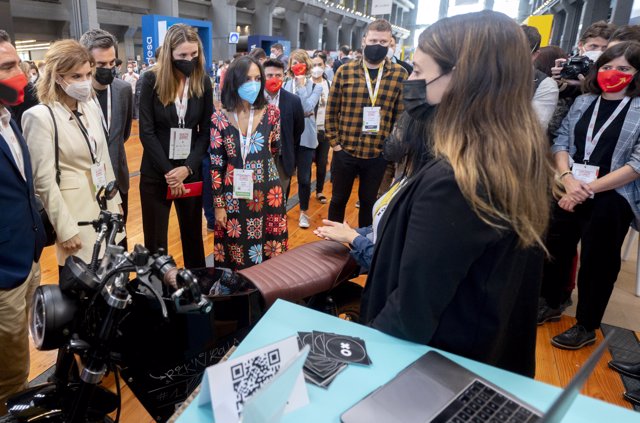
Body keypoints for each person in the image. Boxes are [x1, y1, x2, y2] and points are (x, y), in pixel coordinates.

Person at [360, 11, 554, 377]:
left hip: (431, 369)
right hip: (480, 356)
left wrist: (361, 368)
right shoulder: (510, 157)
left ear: (462, 78)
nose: (411, 81)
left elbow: (412, 311)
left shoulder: (457, 180)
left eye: (419, 71)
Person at [538, 41, 640, 350]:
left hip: (612, 194)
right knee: (555, 245)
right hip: (570, 184)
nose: (613, 73)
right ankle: (552, 302)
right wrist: (567, 179)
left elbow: (637, 162)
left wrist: (586, 189)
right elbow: (560, 141)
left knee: (599, 260)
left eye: (623, 68)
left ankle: (586, 324)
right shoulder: (584, 102)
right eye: (607, 67)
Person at [22, 39, 122, 269]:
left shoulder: (88, 105)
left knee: (110, 278)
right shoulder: (39, 116)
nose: (85, 82)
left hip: (104, 208)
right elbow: (43, 181)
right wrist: (65, 228)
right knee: (81, 285)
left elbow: (103, 157)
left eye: (88, 74)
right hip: (74, 214)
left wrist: (115, 202)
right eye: (76, 77)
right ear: (57, 76)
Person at [138, 23, 212, 268]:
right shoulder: (151, 80)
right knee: (155, 243)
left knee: (193, 238)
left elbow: (205, 133)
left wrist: (187, 169)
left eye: (194, 54)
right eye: (182, 55)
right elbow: (146, 132)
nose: (189, 60)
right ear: (169, 54)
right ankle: (156, 297)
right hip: (157, 173)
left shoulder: (203, 82)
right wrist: (170, 172)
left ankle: (197, 291)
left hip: (189, 172)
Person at [0, 29, 45, 415]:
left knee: (19, 354)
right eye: (8, 67)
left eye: (19, 63)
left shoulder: (9, 118)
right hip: (4, 270)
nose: (21, 74)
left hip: (28, 256)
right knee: (9, 373)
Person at [326, 19, 406, 227]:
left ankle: (362, 248)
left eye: (383, 41)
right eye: (373, 40)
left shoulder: (399, 75)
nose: (377, 45)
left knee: (370, 203)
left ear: (390, 44)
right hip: (346, 151)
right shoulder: (345, 71)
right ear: (364, 41)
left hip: (377, 154)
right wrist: (336, 145)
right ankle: (331, 245)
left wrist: (387, 151)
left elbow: (400, 118)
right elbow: (331, 111)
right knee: (338, 200)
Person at [210, 56, 288, 269]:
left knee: (268, 250)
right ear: (234, 81)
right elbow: (216, 164)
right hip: (233, 195)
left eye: (257, 78)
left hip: (268, 193)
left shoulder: (272, 113)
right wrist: (219, 205)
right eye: (247, 79)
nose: (253, 84)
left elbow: (274, 150)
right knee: (236, 249)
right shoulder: (219, 117)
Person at [80, 29, 133, 249]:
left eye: (112, 63)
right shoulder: (76, 94)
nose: (108, 69)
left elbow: (125, 133)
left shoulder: (123, 90)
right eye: (101, 65)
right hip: (87, 184)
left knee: (119, 241)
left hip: (118, 180)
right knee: (92, 245)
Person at [284, 50, 322, 228]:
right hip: (288, 138)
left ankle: (304, 212)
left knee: (305, 179)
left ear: (306, 65)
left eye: (300, 62)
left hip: (306, 138)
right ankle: (281, 209)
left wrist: (300, 87)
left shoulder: (316, 86)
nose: (297, 65)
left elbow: (307, 108)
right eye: (294, 62)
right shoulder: (284, 85)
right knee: (285, 177)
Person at [263, 58, 304, 201]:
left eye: (278, 75)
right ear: (262, 76)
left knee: (278, 200)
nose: (274, 79)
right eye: (269, 75)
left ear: (284, 76)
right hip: (258, 157)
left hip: (282, 158)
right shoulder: (254, 100)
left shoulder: (293, 101)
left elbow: (298, 129)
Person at [551, 21, 616, 100]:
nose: (599, 52)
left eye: (605, 48)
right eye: (593, 46)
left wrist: (588, 86)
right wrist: (556, 82)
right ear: (580, 45)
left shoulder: (612, 71)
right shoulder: (569, 65)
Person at [522, 25, 559, 130]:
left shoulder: (545, 85)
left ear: (534, 55)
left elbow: (534, 129)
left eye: (519, 51)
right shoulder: (492, 75)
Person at [311, 52, 331, 204]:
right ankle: (303, 190)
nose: (317, 68)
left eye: (320, 65)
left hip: (324, 130)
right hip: (308, 130)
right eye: (314, 65)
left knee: (322, 162)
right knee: (305, 163)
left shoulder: (330, 84)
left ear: (325, 66)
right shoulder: (305, 83)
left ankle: (319, 190)